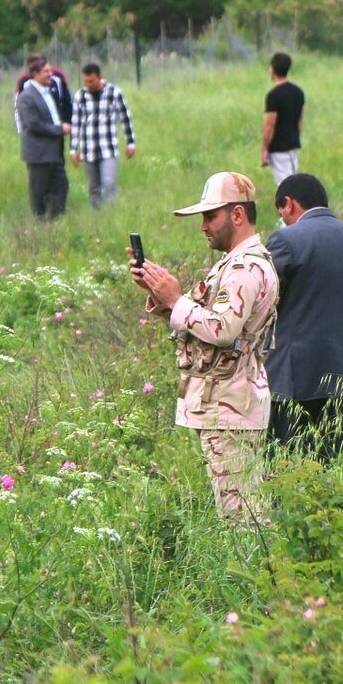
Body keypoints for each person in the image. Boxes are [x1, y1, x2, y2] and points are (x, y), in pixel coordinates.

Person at [132, 172, 279, 521]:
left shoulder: (243, 269)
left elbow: (223, 330)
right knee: (241, 509)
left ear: (238, 214)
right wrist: (161, 295)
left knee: (241, 517)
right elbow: (205, 328)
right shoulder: (234, 265)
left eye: (211, 216)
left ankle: (260, 559)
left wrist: (175, 299)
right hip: (228, 405)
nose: (203, 227)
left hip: (231, 407)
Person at [265, 174, 343, 463]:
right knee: (326, 470)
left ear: (289, 204)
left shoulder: (285, 240)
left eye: (281, 214)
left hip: (292, 380)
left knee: (283, 469)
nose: (283, 220)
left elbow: (262, 304)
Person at [70, 62, 136, 208]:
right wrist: (73, 150)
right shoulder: (80, 96)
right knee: (94, 188)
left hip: (108, 148)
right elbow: (76, 124)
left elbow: (125, 119)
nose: (88, 84)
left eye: (91, 81)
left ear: (100, 77)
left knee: (109, 184)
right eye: (86, 81)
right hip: (88, 150)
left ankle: (111, 214)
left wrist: (130, 143)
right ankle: (98, 216)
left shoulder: (114, 93)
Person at [16, 55, 72, 219]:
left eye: (50, 70)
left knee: (61, 185)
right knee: (39, 191)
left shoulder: (48, 93)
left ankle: (54, 219)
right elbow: (33, 124)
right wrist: (59, 129)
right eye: (46, 71)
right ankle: (39, 222)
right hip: (39, 153)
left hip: (55, 151)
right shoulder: (26, 97)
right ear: (35, 74)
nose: (50, 74)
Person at [261, 52, 305, 185]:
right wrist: (296, 137)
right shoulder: (298, 92)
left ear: (273, 70)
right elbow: (300, 120)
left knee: (285, 186)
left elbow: (270, 125)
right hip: (293, 144)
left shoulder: (273, 96)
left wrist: (264, 148)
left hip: (279, 148)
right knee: (294, 182)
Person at [14, 54, 73, 132]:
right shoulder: (24, 82)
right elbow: (18, 107)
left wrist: (68, 123)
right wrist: (21, 130)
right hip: (36, 130)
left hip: (57, 127)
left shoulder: (58, 78)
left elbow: (67, 101)